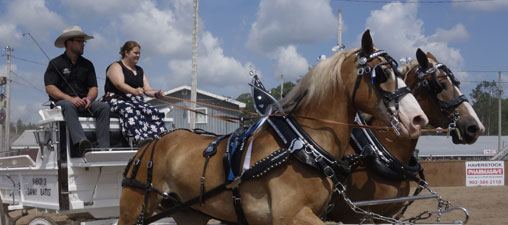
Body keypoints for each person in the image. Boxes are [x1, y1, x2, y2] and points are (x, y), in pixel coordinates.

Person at [44, 26, 110, 157]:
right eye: (80, 41)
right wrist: (70, 99)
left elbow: (94, 88)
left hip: (84, 102)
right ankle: (81, 142)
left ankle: (104, 149)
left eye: (83, 42)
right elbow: (50, 88)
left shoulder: (88, 65)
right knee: (68, 106)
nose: (83, 44)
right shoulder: (55, 63)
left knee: (104, 108)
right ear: (69, 43)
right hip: (63, 104)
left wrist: (89, 99)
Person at [104, 41, 166, 146]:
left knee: (153, 111)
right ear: (126, 53)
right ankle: (140, 139)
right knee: (130, 110)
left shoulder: (140, 70)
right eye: (135, 53)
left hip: (134, 100)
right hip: (115, 99)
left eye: (139, 53)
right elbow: (119, 84)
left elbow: (147, 90)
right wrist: (134, 91)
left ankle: (160, 139)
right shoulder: (116, 66)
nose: (138, 56)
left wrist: (156, 94)